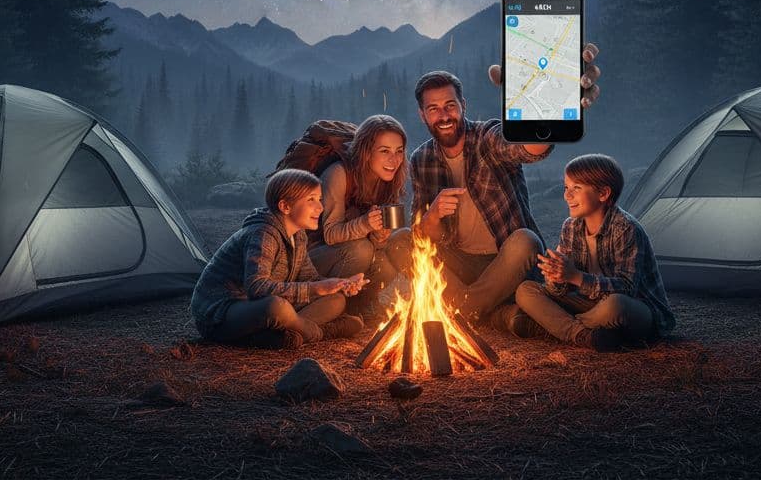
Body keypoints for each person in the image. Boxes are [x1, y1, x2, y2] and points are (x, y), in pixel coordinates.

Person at [385, 44, 601, 333]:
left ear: (464, 106)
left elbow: (528, 147)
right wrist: (434, 214)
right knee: (401, 240)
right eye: (433, 109)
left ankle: (463, 311)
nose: (444, 115)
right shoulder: (422, 159)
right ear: (423, 115)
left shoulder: (487, 137)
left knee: (525, 239)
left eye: (450, 105)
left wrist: (552, 107)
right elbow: (426, 239)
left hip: (507, 261)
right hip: (460, 267)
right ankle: (488, 312)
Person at [191, 169, 368, 349]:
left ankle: (282, 334)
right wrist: (315, 288)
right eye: (311, 200)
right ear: (285, 207)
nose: (320, 207)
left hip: (260, 307)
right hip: (222, 313)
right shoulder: (263, 234)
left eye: (320, 199)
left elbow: (310, 280)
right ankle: (319, 332)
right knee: (276, 307)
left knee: (336, 300)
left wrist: (340, 284)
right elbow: (257, 288)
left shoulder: (298, 235)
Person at [515, 153, 676, 350]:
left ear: (603, 194)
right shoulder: (571, 227)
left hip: (635, 309)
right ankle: (584, 335)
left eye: (577, 188)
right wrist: (556, 277)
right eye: (566, 187)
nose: (567, 195)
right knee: (526, 290)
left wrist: (575, 276)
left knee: (615, 305)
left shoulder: (626, 228)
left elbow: (626, 288)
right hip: (589, 303)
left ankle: (558, 326)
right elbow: (559, 290)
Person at [309, 114, 405, 316]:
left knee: (389, 261)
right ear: (366, 152)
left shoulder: (387, 181)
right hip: (312, 258)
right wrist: (365, 224)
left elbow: (376, 245)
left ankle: (356, 308)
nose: (394, 160)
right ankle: (325, 306)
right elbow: (330, 234)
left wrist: (380, 235)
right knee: (361, 250)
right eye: (384, 151)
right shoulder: (339, 173)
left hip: (352, 251)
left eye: (399, 151)